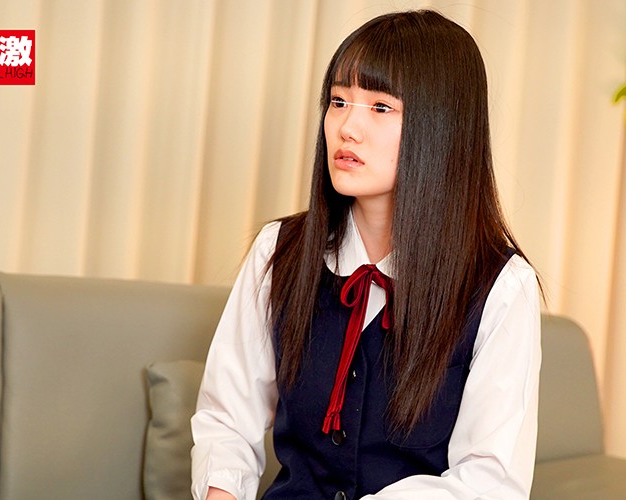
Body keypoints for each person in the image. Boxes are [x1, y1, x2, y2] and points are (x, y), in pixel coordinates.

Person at [191, 9, 541, 500]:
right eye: (338, 101)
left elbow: (489, 483)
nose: (347, 128)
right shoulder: (280, 251)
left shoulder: (501, 287)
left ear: (442, 129)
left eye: (380, 107)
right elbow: (227, 419)